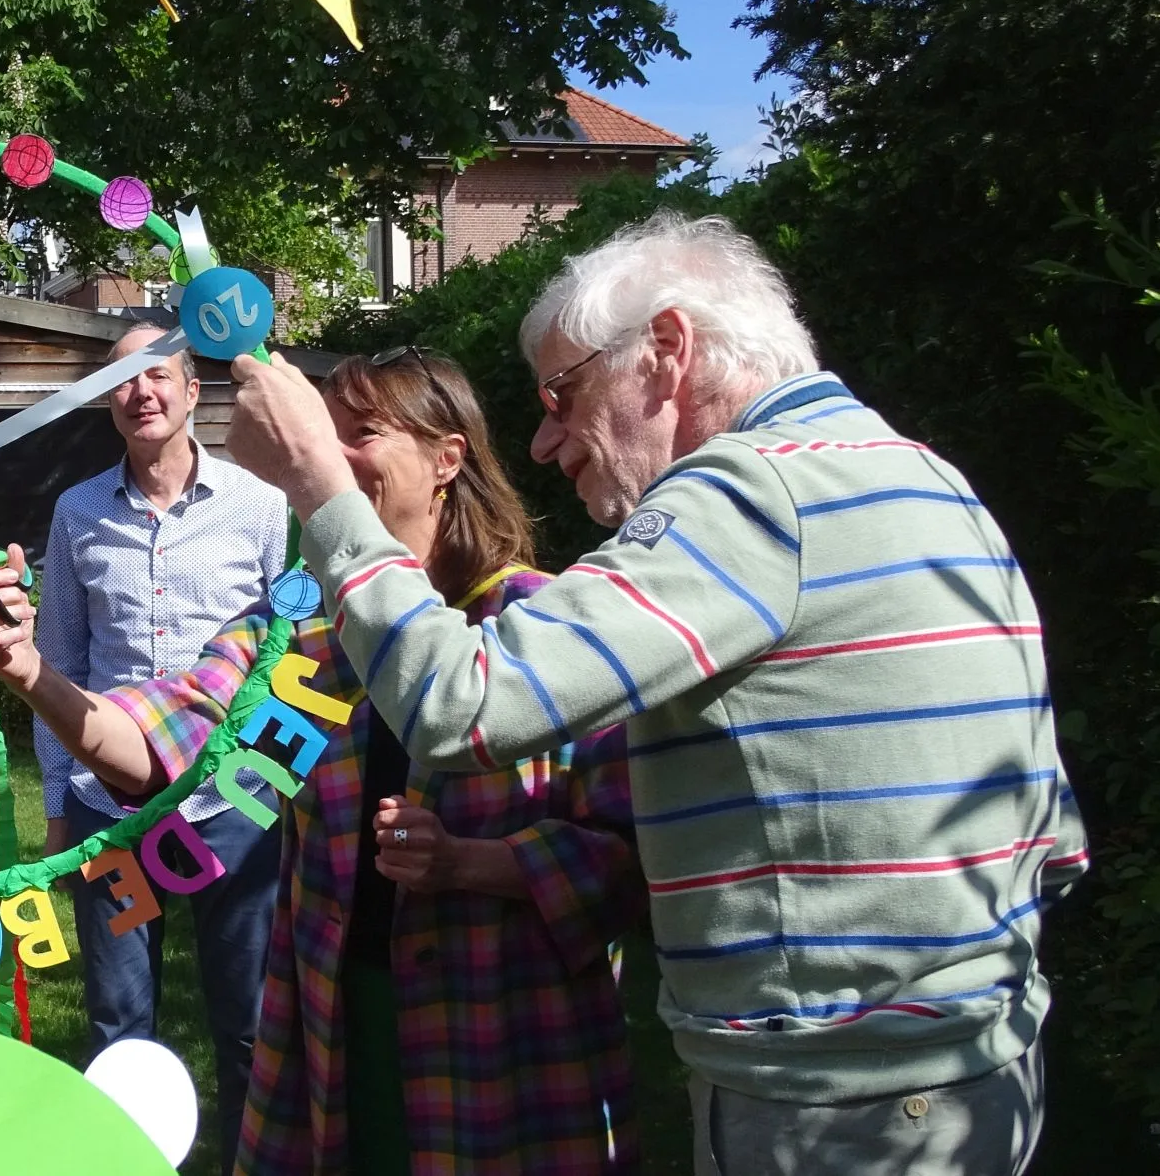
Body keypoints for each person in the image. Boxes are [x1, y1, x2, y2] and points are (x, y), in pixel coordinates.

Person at [221, 214, 1089, 1175]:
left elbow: (463, 703)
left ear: (667, 350)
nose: (547, 441)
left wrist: (317, 485)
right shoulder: (925, 478)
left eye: (562, 394)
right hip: (977, 1068)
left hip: (839, 1099)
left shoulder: (746, 496)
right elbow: (1051, 836)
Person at [0, 351, 643, 1174]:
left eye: (359, 435)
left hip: (497, 1035)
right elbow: (161, 739)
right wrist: (30, 671)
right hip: (340, 1020)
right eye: (320, 438)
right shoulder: (303, 630)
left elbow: (624, 859)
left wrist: (474, 864)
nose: (325, 460)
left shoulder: (540, 626)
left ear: (447, 458)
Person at [31, 321, 287, 1171]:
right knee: (117, 1024)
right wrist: (59, 804)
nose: (142, 392)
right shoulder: (75, 514)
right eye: (123, 381)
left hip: (237, 806)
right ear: (109, 401)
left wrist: (290, 779)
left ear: (192, 389)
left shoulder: (260, 506)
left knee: (247, 1019)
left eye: (158, 376)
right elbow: (58, 665)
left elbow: (295, 651)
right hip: (110, 812)